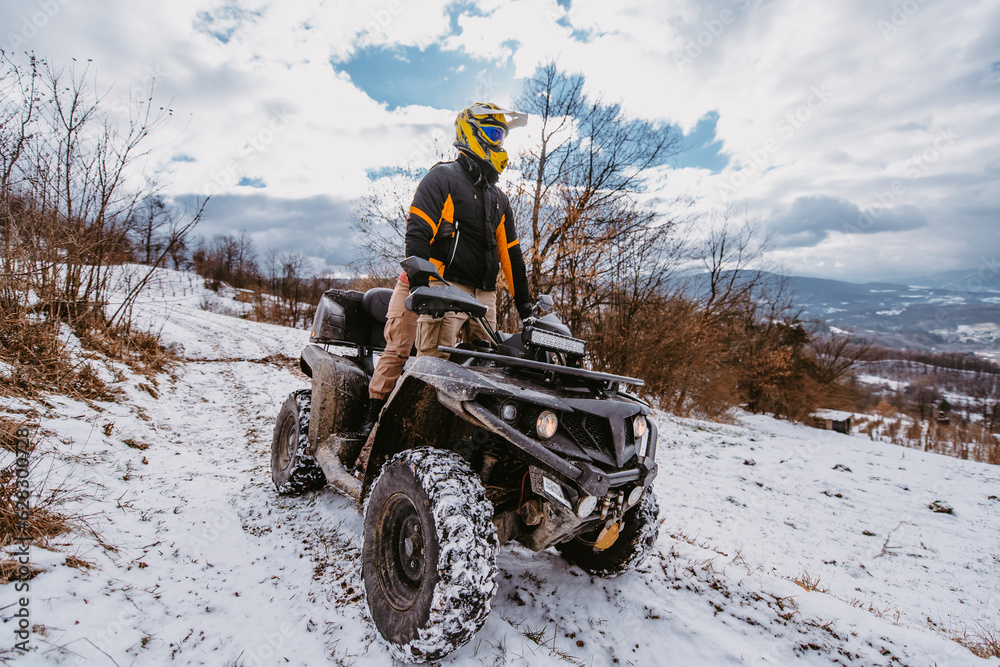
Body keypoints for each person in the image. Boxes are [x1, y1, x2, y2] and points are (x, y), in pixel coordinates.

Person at [355, 103, 533, 471]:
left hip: (482, 295)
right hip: (433, 283)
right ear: (474, 133)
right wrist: (425, 285)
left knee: (483, 368)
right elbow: (418, 230)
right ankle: (372, 429)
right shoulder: (443, 178)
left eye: (504, 136)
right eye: (496, 134)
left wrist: (528, 309)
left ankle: (467, 447)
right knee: (409, 352)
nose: (502, 143)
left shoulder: (499, 199)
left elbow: (511, 257)